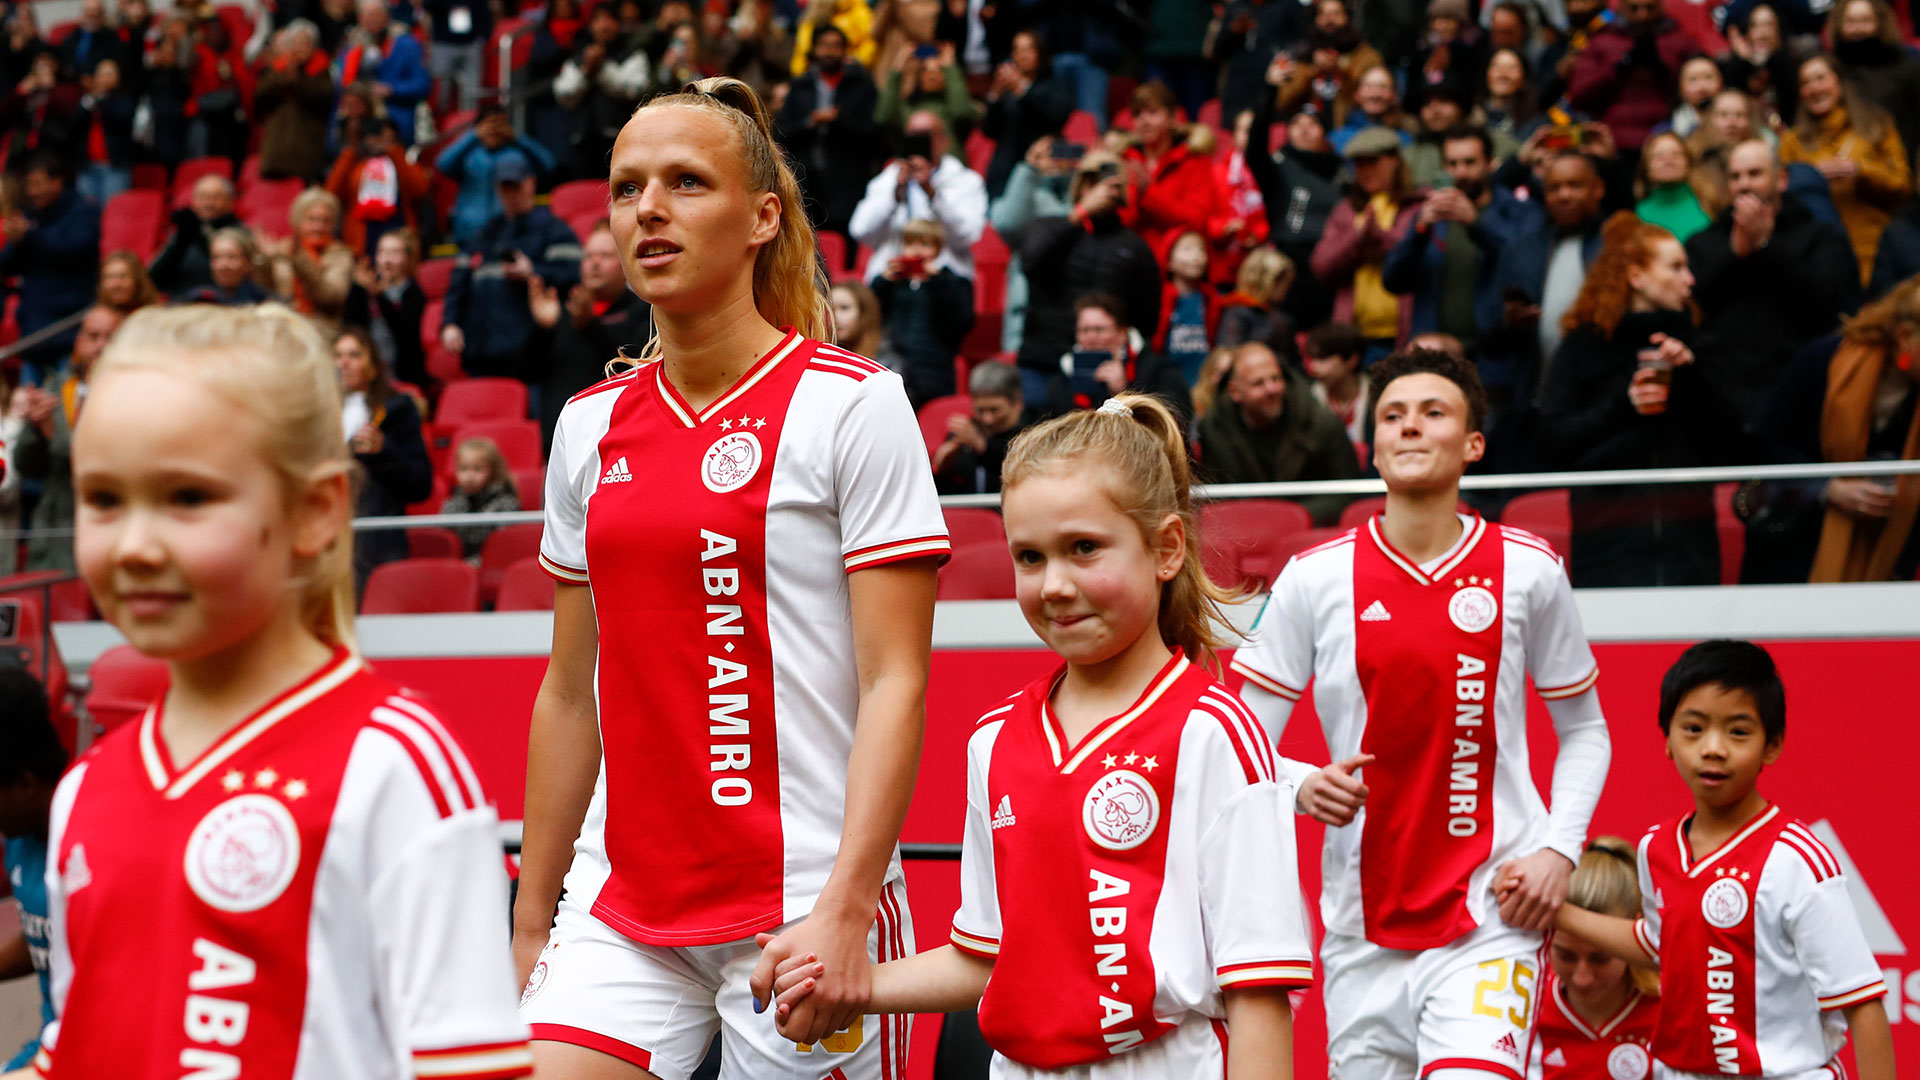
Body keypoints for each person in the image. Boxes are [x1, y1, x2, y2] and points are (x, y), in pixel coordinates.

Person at [514, 76, 947, 1080]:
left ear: (763, 218)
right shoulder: (587, 427)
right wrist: (533, 922)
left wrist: (846, 909)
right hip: (619, 909)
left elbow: (897, 681)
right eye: (626, 189)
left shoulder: (853, 406)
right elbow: (569, 694)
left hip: (804, 903)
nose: (648, 210)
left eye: (684, 183)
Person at [41, 303, 532, 1079]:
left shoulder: (392, 768)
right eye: (103, 499)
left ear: (315, 510)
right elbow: (78, 1044)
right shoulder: (84, 789)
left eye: (188, 498)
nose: (134, 545)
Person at [764, 392, 1314, 1078]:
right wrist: (851, 982)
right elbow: (985, 958)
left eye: (1085, 549)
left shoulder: (1215, 731)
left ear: (1167, 548)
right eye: (1029, 557)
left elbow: (1257, 990)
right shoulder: (995, 741)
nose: (1054, 584)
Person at [1230, 346, 1612, 1080]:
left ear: (1472, 445)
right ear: (1371, 445)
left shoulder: (1529, 568)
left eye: (1432, 413)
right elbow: (1240, 740)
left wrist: (1559, 850)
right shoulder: (1315, 576)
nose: (1409, 428)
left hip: (1490, 921)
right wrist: (1302, 783)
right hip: (1358, 928)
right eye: (1392, 416)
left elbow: (1586, 731)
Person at [1540, 640, 1895, 1080]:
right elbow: (1658, 944)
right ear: (1667, 739)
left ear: (1772, 746)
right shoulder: (1656, 847)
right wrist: (1555, 911)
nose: (1713, 748)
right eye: (1693, 729)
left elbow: (1861, 1002)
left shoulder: (1797, 860)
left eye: (1738, 731)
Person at [1539, 213, 1747, 587]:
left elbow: (1738, 443)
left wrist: (1694, 375)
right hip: (1608, 540)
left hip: (1690, 543)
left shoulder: (1698, 345)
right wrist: (1624, 402)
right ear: (1636, 277)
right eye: (1676, 267)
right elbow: (1555, 441)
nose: (1690, 280)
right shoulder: (1584, 347)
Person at [1744, 278, 1920, 582]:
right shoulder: (1823, 360)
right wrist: (1828, 488)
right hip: (1795, 553)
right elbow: (1765, 442)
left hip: (1885, 563)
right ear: (1905, 337)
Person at [1684, 139, 1860, 423]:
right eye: (1735, 176)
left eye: (1755, 174)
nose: (1744, 184)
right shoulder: (1705, 241)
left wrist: (1767, 246)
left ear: (1781, 179)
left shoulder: (1820, 235)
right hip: (1721, 391)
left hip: (1798, 388)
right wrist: (1735, 255)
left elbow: (1827, 301)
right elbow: (1693, 304)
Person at [1017, 151, 1163, 413]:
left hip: (1106, 366)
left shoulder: (1135, 247)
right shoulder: (1048, 226)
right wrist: (1080, 213)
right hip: (1045, 362)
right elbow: (1031, 263)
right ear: (1080, 185)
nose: (1102, 190)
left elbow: (1146, 317)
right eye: (1092, 181)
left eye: (1111, 183)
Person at [1384, 125, 1543, 351]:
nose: (1460, 172)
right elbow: (1393, 280)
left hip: (1496, 356)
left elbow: (1525, 268)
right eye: (1452, 164)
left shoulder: (1519, 211)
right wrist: (1419, 231)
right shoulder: (1430, 214)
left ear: (1490, 163)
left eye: (1470, 163)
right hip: (1435, 354)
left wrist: (1476, 225)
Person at [1480, 152, 1608, 414]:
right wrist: (1509, 322)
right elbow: (1489, 337)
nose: (1564, 195)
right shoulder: (1521, 251)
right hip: (1534, 402)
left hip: (1604, 404)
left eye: (1575, 185)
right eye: (1554, 188)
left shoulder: (1618, 244)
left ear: (1598, 189)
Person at [1525, 838, 1660, 1080]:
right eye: (1566, 955)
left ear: (1635, 935)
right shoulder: (1525, 1013)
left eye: (1600, 959)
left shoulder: (1671, 1013)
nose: (1582, 978)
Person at [441, 154, 583, 383]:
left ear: (531, 183)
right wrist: (450, 323)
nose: (511, 193)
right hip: (481, 351)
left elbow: (575, 275)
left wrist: (533, 272)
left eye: (516, 185)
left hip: (532, 355)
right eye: (505, 187)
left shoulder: (554, 230)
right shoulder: (486, 233)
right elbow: (459, 282)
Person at [1780, 54, 1910, 286]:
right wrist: (1810, 179)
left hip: (1877, 247)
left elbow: (1903, 185)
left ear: (1839, 82)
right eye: (1805, 83)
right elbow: (1781, 200)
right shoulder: (1791, 142)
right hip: (1820, 257)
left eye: (1820, 78)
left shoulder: (1877, 125)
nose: (1814, 88)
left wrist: (1861, 172)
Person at [1194, 341, 1359, 523]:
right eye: (1259, 383)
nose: (1271, 389)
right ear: (1235, 391)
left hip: (1311, 528)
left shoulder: (1321, 423)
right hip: (1245, 533)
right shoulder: (1214, 429)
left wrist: (1289, 518)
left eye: (1276, 379)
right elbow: (1214, 499)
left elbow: (1348, 493)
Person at [12, 305, 124, 571]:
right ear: (78, 342)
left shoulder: (142, 396)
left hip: (113, 532)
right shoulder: (57, 389)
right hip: (56, 535)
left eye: (110, 338)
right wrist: (37, 433)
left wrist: (58, 440)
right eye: (93, 336)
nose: (100, 345)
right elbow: (26, 467)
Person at [531, 222, 649, 447]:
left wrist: (590, 326)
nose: (595, 263)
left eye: (605, 256)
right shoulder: (562, 313)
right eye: (588, 256)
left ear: (625, 263)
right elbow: (526, 372)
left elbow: (635, 366)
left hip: (618, 444)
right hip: (560, 447)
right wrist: (542, 329)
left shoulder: (642, 309)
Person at [1311, 127, 1422, 361]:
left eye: (1372, 161)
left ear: (1395, 161)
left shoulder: (1417, 207)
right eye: (1359, 164)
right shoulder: (1346, 211)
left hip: (1408, 334)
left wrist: (1379, 236)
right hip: (1356, 340)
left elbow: (1417, 257)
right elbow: (1321, 266)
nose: (1365, 171)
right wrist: (1357, 237)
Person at [1247, 69, 1343, 328]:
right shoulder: (1278, 166)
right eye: (1296, 124)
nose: (1303, 130)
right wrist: (1269, 92)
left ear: (1324, 134)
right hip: (1288, 267)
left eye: (1312, 124)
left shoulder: (1340, 172)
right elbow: (1254, 148)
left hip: (1330, 267)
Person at [335, 324, 432, 580]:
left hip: (375, 541)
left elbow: (421, 484)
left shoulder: (397, 410)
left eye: (354, 355)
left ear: (375, 366)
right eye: (337, 355)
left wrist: (384, 451)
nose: (343, 363)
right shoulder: (316, 414)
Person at [0, 668, 60, 1073]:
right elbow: (45, 931)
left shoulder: (95, 848)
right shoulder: (20, 837)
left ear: (25, 784)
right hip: (47, 1043)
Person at [850, 109, 987, 284]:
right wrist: (895, 193)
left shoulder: (966, 181)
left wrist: (932, 193)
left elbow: (967, 235)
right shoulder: (888, 179)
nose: (919, 140)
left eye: (927, 134)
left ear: (945, 141)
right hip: (893, 277)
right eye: (913, 134)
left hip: (945, 279)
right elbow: (860, 231)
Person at [0, 152, 102, 386]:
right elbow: (8, 265)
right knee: (29, 406)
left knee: (66, 404)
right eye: (29, 185)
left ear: (57, 181)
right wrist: (15, 241)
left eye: (38, 183)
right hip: (33, 327)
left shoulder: (83, 210)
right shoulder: (29, 214)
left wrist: (29, 236)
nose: (33, 191)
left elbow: (74, 249)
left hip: (68, 323)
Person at [774, 24, 880, 240]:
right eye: (824, 46)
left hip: (847, 179)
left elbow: (874, 136)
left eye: (835, 46)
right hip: (805, 179)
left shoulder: (861, 86)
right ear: (814, 49)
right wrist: (809, 123)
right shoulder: (800, 86)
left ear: (844, 50)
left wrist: (839, 120)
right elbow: (781, 133)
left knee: (845, 239)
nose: (829, 51)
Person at [1566, 0, 1701, 152]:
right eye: (1634, 8)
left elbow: (1701, 89)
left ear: (1661, 7)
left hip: (1670, 138)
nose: (1642, 15)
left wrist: (1664, 71)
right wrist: (1616, 71)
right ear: (1621, 7)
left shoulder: (1681, 41)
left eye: (1649, 8)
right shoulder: (1600, 42)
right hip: (1614, 142)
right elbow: (1579, 95)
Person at [871, 217, 975, 409]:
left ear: (938, 248)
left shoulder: (953, 283)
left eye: (925, 244)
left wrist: (938, 281)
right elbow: (868, 315)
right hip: (894, 370)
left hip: (935, 373)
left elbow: (961, 322)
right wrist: (883, 282)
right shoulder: (891, 284)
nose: (917, 250)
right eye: (910, 243)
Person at [1119, 81, 1224, 262]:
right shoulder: (1123, 161)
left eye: (1152, 112)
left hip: (1176, 270)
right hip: (1130, 263)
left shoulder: (1194, 163)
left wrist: (1149, 193)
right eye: (1137, 114)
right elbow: (1119, 222)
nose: (1144, 121)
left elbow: (1197, 221)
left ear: (1173, 117)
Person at [437, 105, 560, 248]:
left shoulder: (516, 154)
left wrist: (517, 137)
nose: (494, 129)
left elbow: (548, 164)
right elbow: (442, 164)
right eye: (489, 124)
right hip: (470, 230)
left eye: (499, 124)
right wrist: (474, 135)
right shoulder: (469, 155)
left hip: (507, 230)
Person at [1062, 292, 1193, 425]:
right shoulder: (1065, 372)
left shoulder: (1157, 368)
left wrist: (1124, 392)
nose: (1091, 337)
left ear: (1122, 333)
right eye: (1084, 330)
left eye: (1099, 329)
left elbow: (1176, 418)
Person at [554, 4, 651, 179]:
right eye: (597, 20)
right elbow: (564, 95)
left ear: (618, 24)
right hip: (581, 141)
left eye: (609, 19)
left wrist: (602, 69)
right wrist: (585, 71)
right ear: (591, 26)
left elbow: (634, 90)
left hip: (621, 140)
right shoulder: (577, 57)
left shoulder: (632, 55)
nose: (604, 25)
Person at [979, 29, 1072, 199]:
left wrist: (1021, 90)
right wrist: (995, 95)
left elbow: (1054, 118)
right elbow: (988, 131)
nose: (1023, 55)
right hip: (1005, 171)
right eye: (1018, 50)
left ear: (1040, 53)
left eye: (1029, 49)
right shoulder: (1006, 92)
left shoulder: (1056, 86)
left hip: (1042, 170)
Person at [1827, 0, 1920, 166]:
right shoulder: (1830, 70)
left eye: (1865, 21)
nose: (1858, 29)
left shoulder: (1907, 67)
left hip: (1900, 166)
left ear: (1880, 23)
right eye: (1851, 22)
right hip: (1843, 166)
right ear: (1838, 25)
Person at [1273, 0, 1388, 134]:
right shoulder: (1303, 57)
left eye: (1336, 13)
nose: (1329, 19)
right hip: (1308, 133)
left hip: (1353, 131)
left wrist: (1340, 69)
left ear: (1347, 18)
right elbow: (1283, 102)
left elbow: (1375, 95)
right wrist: (1313, 71)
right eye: (1323, 14)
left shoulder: (1366, 56)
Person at [326, 115, 430, 258]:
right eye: (377, 137)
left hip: (397, 229)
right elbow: (331, 192)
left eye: (389, 138)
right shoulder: (355, 164)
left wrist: (394, 150)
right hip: (362, 234)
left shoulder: (400, 160)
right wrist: (351, 150)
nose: (381, 142)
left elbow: (420, 189)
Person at [343, 228, 430, 393]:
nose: (387, 260)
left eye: (395, 253)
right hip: (369, 370)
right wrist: (356, 289)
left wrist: (380, 297)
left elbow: (405, 333)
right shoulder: (366, 286)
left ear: (408, 258)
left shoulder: (413, 292)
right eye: (382, 252)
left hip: (401, 372)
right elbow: (351, 326)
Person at [332, 0, 429, 145]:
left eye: (374, 14)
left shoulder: (407, 44)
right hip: (361, 124)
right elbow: (343, 82)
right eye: (365, 15)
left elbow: (422, 85)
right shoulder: (351, 46)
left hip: (395, 121)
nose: (369, 19)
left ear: (386, 16)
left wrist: (391, 89)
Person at [931, 360, 1035, 494]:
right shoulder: (965, 435)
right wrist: (944, 468)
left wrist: (983, 446)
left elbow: (1024, 472)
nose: (987, 419)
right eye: (980, 410)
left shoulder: (1034, 431)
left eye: (995, 410)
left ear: (1017, 402)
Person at [254, 20, 335, 183]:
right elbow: (259, 98)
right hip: (276, 149)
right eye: (295, 43)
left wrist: (297, 81)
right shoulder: (278, 68)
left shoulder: (321, 69)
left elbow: (324, 99)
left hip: (306, 151)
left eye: (305, 43)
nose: (299, 48)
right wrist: (281, 79)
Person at [266, 187, 356, 320]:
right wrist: (263, 260)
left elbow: (329, 298)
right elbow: (264, 289)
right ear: (298, 221)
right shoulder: (283, 248)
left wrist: (300, 260)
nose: (318, 227)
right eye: (312, 219)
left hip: (322, 325)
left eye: (326, 221)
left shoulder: (340, 255)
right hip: (282, 320)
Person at [149, 174, 242, 296]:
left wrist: (200, 234)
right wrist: (180, 242)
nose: (208, 203)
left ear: (231, 202)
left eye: (216, 197)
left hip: (223, 304)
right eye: (202, 197)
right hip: (179, 305)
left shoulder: (240, 234)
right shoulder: (183, 233)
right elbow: (153, 280)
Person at [442, 436, 521, 559]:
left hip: (495, 560)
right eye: (463, 469)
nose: (469, 476)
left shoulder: (505, 502)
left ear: (493, 471)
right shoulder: (454, 502)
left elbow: (503, 540)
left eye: (477, 469)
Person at [1157, 230, 1220, 385]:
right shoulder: (1159, 299)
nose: (1197, 256)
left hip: (1203, 383)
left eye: (1201, 249)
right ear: (1168, 261)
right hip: (1166, 383)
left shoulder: (1212, 300)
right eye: (1187, 249)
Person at [1634, 131, 1714, 242]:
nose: (1668, 160)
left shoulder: (1709, 203)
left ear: (1688, 163)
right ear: (1646, 167)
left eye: (1676, 154)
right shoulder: (1638, 215)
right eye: (1659, 156)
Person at [1303, 321, 1373, 446]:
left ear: (1352, 359)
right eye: (1313, 359)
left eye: (1322, 359)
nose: (1314, 367)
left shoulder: (1376, 396)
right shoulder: (1308, 398)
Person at [424, 0, 492, 114]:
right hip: (443, 45)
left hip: (470, 45)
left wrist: (481, 39)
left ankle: (468, 126)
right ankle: (439, 126)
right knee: (440, 92)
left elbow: (485, 14)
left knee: (471, 92)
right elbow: (428, 6)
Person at [178, 227, 274, 307]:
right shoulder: (197, 299)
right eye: (217, 257)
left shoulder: (262, 301)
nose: (223, 265)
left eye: (232, 257)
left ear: (248, 263)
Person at [1329, 67, 1413, 154]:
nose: (1375, 94)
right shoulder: (1337, 140)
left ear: (1394, 95)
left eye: (1383, 87)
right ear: (1357, 94)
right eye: (1369, 86)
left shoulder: (1405, 141)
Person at [831, 280, 883, 360]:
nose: (836, 316)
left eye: (844, 308)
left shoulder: (887, 360)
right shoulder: (818, 355)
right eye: (831, 309)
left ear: (864, 313)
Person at [95, 250, 161, 314]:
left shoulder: (156, 314)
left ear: (137, 280)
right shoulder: (96, 319)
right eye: (110, 277)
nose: (116, 284)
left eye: (123, 276)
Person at [1671, 54, 1722, 137]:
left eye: (1708, 77)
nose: (1702, 87)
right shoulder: (1669, 130)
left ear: (1721, 82)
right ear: (1680, 87)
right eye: (1693, 79)